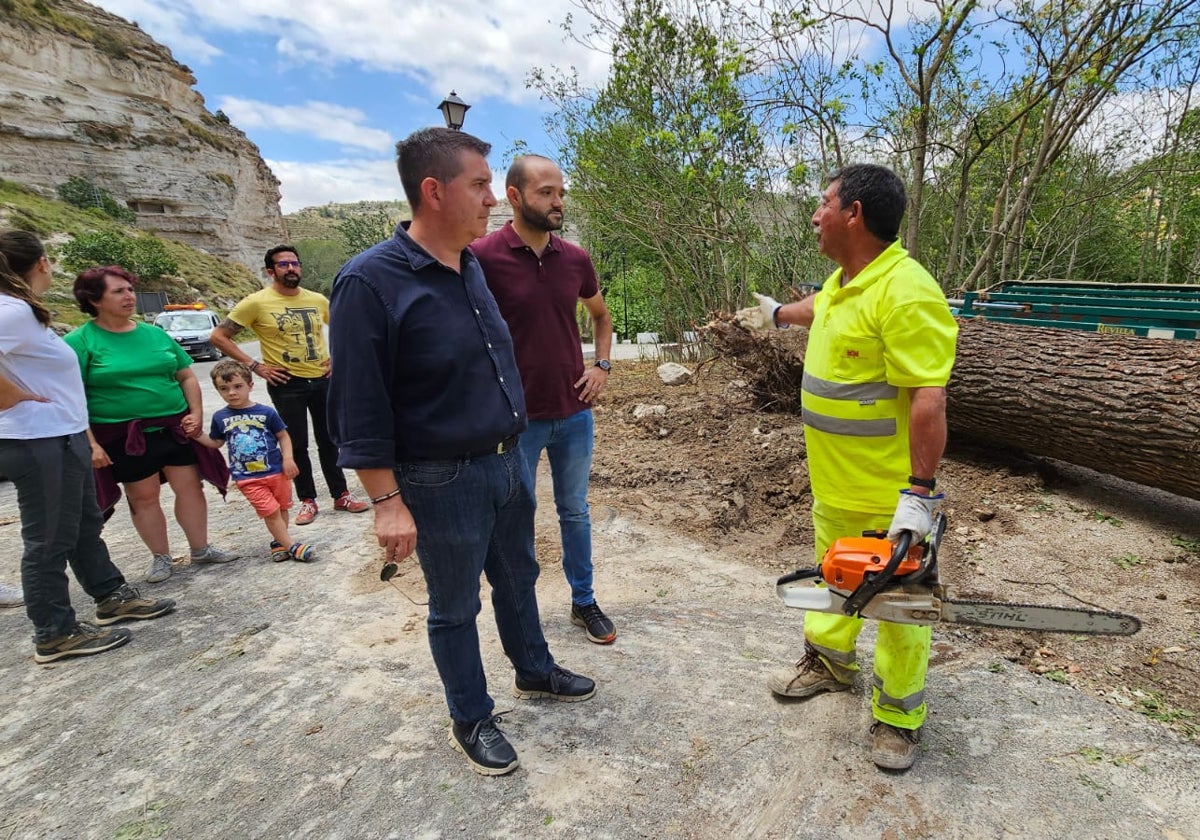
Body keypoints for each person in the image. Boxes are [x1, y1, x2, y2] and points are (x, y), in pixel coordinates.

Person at [328, 127, 596, 777]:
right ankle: (470, 716)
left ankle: (533, 669)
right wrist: (387, 502)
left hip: (507, 460)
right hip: (441, 477)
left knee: (519, 578)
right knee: (456, 605)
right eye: (479, 186)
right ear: (433, 190)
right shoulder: (369, 282)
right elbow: (358, 407)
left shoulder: (470, 264)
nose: (492, 201)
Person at [737, 164, 958, 771]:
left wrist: (920, 493)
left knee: (903, 604)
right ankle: (831, 662)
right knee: (832, 579)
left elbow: (928, 397)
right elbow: (822, 307)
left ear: (853, 213)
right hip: (834, 487)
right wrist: (778, 313)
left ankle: (897, 714)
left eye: (824, 203)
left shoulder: (907, 291)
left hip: (890, 496)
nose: (815, 215)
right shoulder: (846, 280)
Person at [0, 231, 175, 663]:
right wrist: (10, 395)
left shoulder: (20, 310)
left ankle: (110, 596)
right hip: (38, 439)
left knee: (82, 524)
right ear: (41, 263)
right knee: (49, 538)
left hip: (62, 434)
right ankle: (54, 632)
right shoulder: (13, 310)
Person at [472, 154, 617, 645]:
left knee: (574, 511)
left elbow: (600, 315)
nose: (558, 202)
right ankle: (522, 610)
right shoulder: (481, 257)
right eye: (546, 193)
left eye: (561, 193)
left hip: (574, 414)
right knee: (517, 516)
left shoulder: (574, 259)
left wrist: (601, 365)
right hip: (515, 421)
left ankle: (584, 601)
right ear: (514, 196)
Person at [63, 265, 236, 584]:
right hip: (121, 434)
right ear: (95, 299)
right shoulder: (80, 341)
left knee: (191, 487)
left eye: (129, 289)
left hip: (173, 426)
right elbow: (71, 397)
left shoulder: (154, 333)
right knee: (143, 496)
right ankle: (161, 558)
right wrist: (92, 444)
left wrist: (196, 413)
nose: (129, 296)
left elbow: (185, 375)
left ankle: (200, 549)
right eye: (118, 291)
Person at [209, 245, 369, 526]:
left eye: (294, 263)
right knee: (295, 444)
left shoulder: (317, 300)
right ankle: (307, 500)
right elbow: (219, 336)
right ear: (271, 271)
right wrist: (255, 365)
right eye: (283, 265)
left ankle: (340, 494)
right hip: (286, 382)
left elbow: (345, 326)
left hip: (322, 379)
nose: (291, 269)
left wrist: (337, 358)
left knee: (331, 439)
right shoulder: (256, 303)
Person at [189, 360, 315, 563]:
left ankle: (278, 543)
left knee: (281, 508)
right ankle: (292, 546)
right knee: (271, 512)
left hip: (276, 471)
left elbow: (283, 436)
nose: (231, 392)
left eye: (237, 386)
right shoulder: (221, 417)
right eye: (224, 388)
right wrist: (196, 435)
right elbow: (215, 442)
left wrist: (288, 459)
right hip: (248, 478)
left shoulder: (266, 412)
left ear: (250, 386)